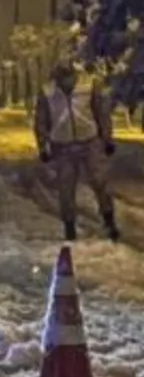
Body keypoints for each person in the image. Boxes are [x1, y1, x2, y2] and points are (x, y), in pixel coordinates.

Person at [33, 60, 118, 242]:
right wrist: (43, 146)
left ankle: (109, 221)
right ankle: (69, 228)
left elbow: (101, 113)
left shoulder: (88, 85)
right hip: (62, 145)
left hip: (90, 141)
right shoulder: (48, 92)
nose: (65, 81)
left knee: (100, 181)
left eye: (68, 77)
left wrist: (107, 138)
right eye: (61, 78)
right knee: (66, 188)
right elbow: (41, 121)